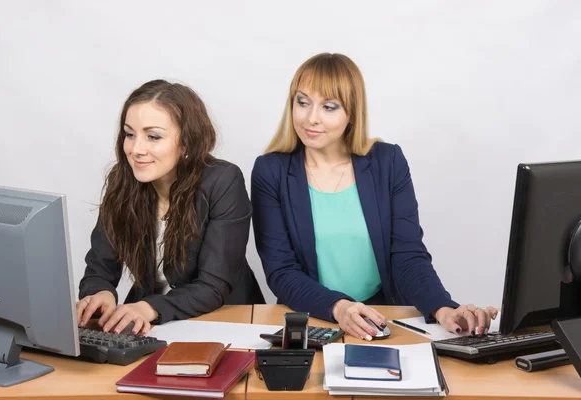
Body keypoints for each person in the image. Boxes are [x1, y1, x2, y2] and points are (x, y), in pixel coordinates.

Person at [251, 53, 497, 341]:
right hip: (314, 319)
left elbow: (407, 255)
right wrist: (339, 308)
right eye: (302, 102)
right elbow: (281, 272)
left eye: (329, 107)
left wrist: (442, 308)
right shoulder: (271, 171)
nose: (311, 118)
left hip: (381, 319)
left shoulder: (387, 162)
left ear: (352, 112)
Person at [77, 79, 264, 335]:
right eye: (129, 134)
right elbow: (100, 268)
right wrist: (100, 294)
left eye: (153, 136)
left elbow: (213, 286)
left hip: (224, 320)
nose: (136, 149)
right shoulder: (122, 181)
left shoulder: (223, 181)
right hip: (151, 322)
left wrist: (148, 308)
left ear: (186, 144)